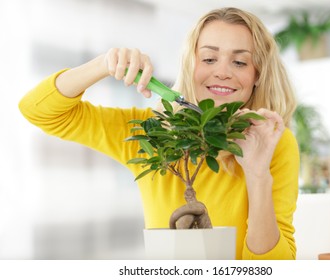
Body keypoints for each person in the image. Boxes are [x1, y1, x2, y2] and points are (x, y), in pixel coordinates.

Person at [19, 7, 299, 259]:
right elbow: (37, 110)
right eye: (209, 58)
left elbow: (275, 268)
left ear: (257, 75)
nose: (223, 72)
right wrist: (104, 65)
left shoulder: (272, 141)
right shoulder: (150, 131)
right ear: (191, 65)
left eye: (240, 62)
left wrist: (258, 173)